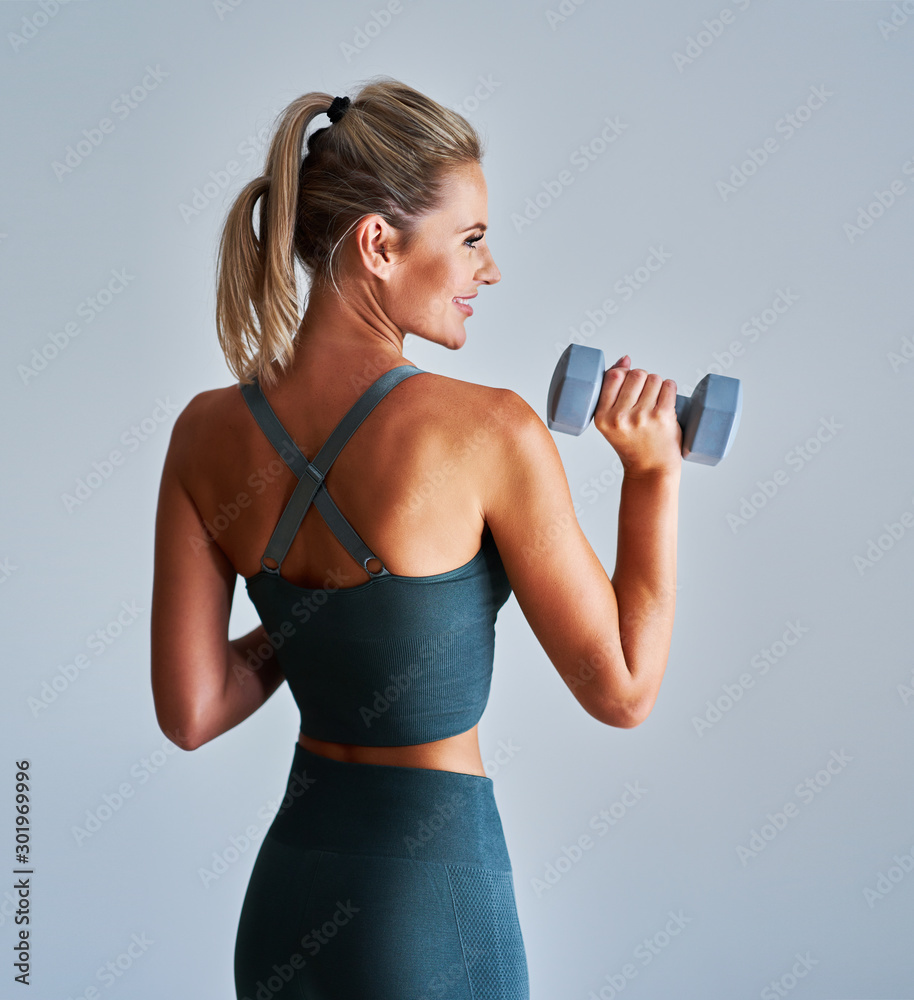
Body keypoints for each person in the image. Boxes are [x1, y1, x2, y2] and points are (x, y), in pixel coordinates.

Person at [150, 76, 682, 999]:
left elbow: (194, 711)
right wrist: (651, 479)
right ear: (379, 244)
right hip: (427, 907)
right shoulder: (490, 432)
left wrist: (318, 618)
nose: (491, 269)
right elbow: (625, 690)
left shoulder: (203, 432)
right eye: (472, 239)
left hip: (287, 898)